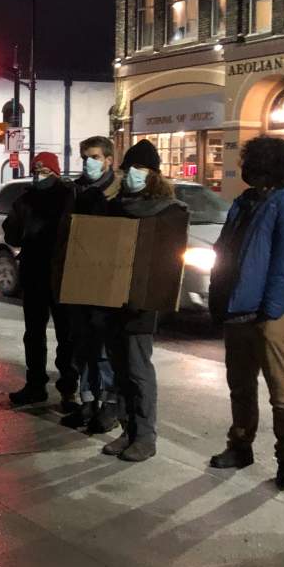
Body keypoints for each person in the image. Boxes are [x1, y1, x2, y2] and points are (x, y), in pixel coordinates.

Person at [207, 136, 284, 491]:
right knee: (240, 385)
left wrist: (270, 313)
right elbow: (226, 252)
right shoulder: (246, 202)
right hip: (238, 309)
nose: (245, 168)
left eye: (252, 161)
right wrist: (218, 297)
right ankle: (240, 446)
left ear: (271, 166)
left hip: (272, 314)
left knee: (280, 391)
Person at [100, 140, 188, 462]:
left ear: (153, 174)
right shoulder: (115, 206)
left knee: (138, 370)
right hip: (112, 300)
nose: (133, 174)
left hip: (141, 303)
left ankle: (145, 436)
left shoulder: (167, 212)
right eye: (129, 168)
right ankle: (128, 430)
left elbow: (167, 262)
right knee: (119, 368)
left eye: (140, 169)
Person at [60, 136, 122, 432]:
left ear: (109, 159)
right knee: (82, 347)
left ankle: (109, 406)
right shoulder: (75, 190)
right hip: (78, 277)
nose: (89, 161)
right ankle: (88, 402)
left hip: (106, 279)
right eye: (85, 156)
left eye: (95, 156)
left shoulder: (117, 193)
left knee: (104, 351)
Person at [4, 151, 76, 406]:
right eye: (36, 170)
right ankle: (36, 385)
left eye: (44, 171)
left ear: (55, 172)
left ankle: (68, 387)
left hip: (62, 273)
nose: (38, 175)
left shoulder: (70, 197)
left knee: (66, 334)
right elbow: (11, 236)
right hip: (34, 274)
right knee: (34, 333)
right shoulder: (25, 200)